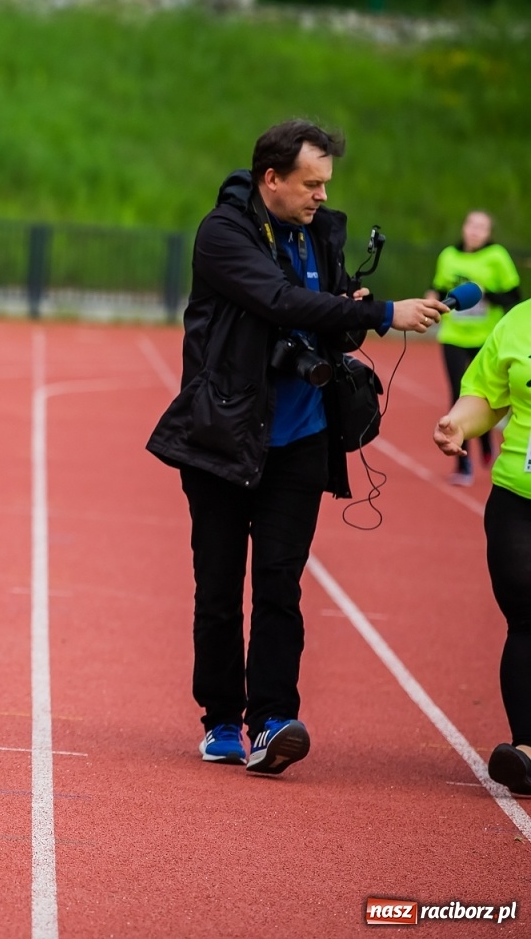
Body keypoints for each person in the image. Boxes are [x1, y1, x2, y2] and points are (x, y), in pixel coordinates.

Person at [146, 120, 447, 776]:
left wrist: (347, 310)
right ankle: (222, 719)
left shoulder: (321, 235)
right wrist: (380, 313)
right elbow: (278, 299)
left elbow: (318, 317)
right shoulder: (223, 234)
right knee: (219, 591)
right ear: (271, 178)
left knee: (281, 585)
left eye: (326, 184)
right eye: (310, 183)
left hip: (301, 440)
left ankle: (275, 720)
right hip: (223, 437)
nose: (319, 196)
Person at [434, 303, 531, 795]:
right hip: (518, 496)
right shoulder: (519, 322)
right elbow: (487, 395)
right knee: (526, 615)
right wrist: (459, 423)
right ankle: (529, 749)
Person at [428, 210, 520, 485]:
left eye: (482, 227)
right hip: (454, 336)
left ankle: (487, 442)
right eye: (471, 225)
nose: (475, 231)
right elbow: (436, 287)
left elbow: (514, 297)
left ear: (489, 232)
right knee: (458, 395)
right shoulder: (448, 256)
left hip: (486, 339)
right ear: (464, 228)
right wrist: (429, 302)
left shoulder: (497, 257)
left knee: (485, 395)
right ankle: (463, 462)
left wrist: (484, 293)